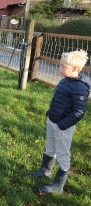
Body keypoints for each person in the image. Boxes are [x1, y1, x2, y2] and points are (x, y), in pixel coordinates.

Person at [28, 50, 90, 194]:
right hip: (53, 121)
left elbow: (78, 112)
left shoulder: (80, 87)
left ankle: (58, 185)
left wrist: (62, 124)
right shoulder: (66, 80)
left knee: (62, 153)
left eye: (63, 66)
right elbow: (59, 101)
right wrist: (50, 114)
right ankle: (45, 171)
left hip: (63, 126)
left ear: (74, 68)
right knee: (50, 147)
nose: (59, 68)